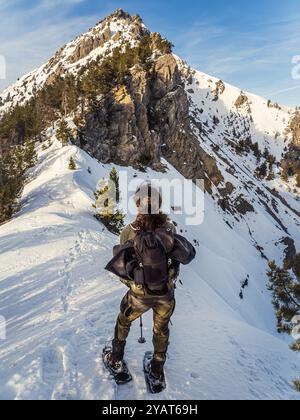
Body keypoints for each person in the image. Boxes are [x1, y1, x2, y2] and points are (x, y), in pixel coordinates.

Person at [105, 182, 195, 383]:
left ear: (138, 205)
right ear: (159, 204)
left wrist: (133, 285)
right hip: (165, 293)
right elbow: (178, 260)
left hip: (139, 295)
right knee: (161, 330)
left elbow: (123, 268)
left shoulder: (129, 232)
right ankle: (156, 368)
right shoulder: (169, 229)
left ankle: (116, 360)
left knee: (124, 320)